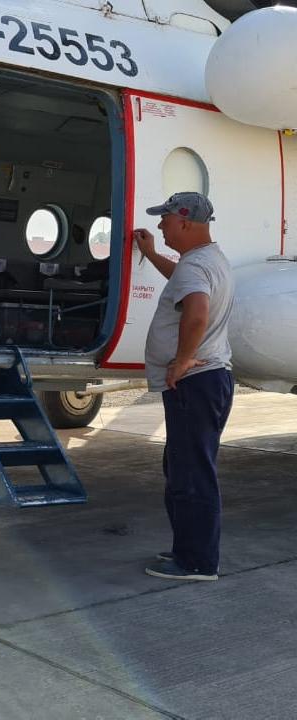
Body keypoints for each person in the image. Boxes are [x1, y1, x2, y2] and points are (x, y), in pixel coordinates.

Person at [133, 191, 234, 582]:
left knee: (191, 474)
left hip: (195, 382)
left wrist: (182, 360)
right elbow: (184, 281)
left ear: (185, 222)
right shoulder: (207, 260)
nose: (160, 225)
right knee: (183, 467)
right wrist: (151, 253)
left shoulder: (195, 266)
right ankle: (188, 549)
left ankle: (196, 562)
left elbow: (196, 313)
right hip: (206, 382)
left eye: (165, 219)